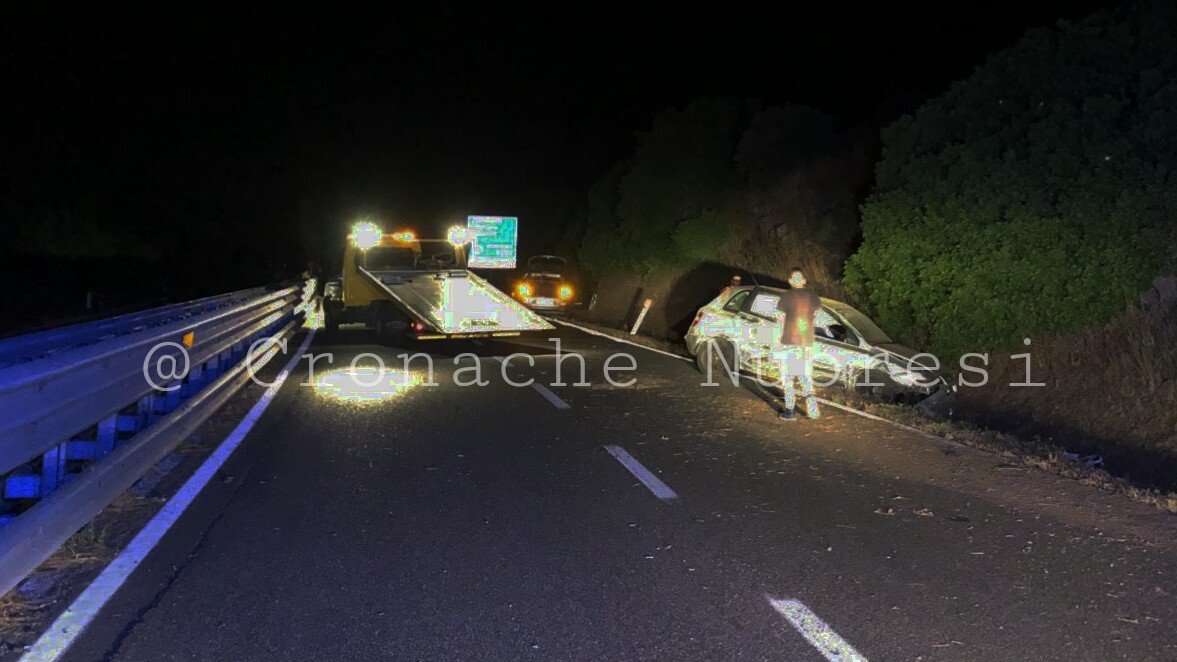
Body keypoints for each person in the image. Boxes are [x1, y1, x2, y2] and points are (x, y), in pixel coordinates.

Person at [775, 267, 821, 420]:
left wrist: (776, 341)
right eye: (795, 277)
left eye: (796, 278)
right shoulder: (813, 297)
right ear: (803, 281)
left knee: (788, 377)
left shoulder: (786, 297)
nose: (795, 280)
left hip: (789, 342)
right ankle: (812, 409)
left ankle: (790, 410)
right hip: (806, 343)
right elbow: (816, 318)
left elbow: (780, 320)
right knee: (805, 376)